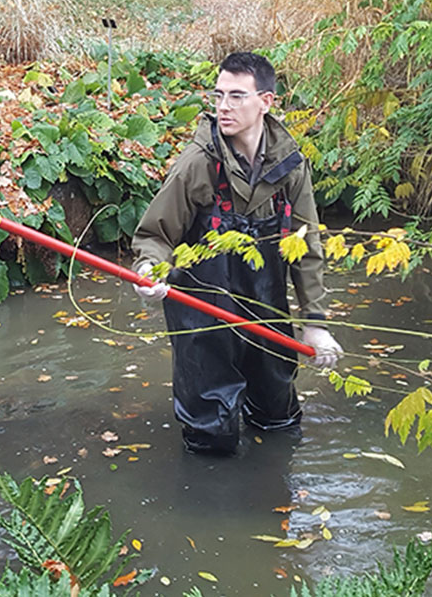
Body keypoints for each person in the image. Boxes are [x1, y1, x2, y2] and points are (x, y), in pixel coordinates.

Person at [131, 52, 342, 455]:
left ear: (266, 102)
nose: (223, 107)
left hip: (266, 307)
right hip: (200, 314)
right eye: (219, 96)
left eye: (236, 96)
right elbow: (155, 234)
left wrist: (315, 322)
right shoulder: (196, 164)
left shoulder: (291, 168)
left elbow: (307, 248)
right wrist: (150, 270)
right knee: (212, 434)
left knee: (279, 417)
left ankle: (274, 502)